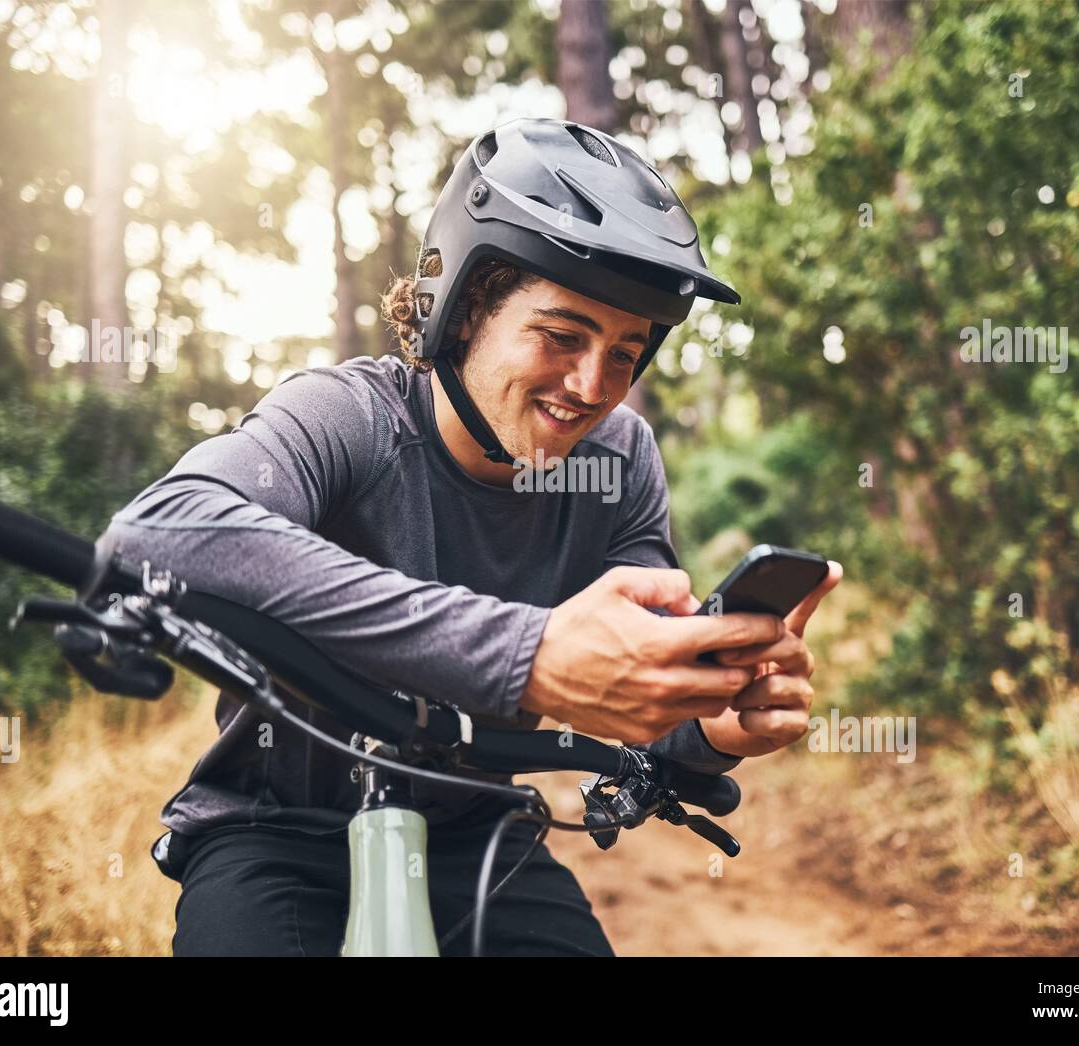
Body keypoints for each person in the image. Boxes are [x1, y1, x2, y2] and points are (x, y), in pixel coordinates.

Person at [99, 117, 841, 956]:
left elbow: (640, 685)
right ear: (459, 313)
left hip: (479, 835)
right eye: (561, 336)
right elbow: (163, 532)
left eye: (627, 351)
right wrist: (527, 652)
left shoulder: (622, 460)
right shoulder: (350, 419)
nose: (594, 386)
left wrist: (709, 729)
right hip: (275, 832)